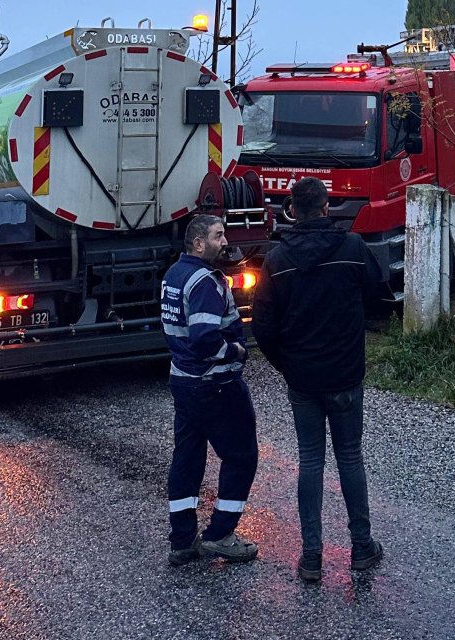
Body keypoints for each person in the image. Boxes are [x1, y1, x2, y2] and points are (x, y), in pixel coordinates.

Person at [253, 177, 386, 582]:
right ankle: (361, 546)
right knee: (350, 458)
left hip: (304, 379)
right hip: (345, 375)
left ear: (292, 210)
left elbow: (262, 326)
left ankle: (312, 556)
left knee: (310, 461)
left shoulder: (277, 260)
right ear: (326, 207)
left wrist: (287, 364)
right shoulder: (352, 248)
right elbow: (379, 296)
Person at [161, 214, 260, 567]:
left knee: (187, 459)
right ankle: (220, 535)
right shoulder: (204, 281)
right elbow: (205, 337)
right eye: (218, 236)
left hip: (183, 381)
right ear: (198, 243)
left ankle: (183, 540)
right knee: (241, 455)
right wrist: (234, 351)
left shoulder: (175, 274)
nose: (225, 242)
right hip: (215, 384)